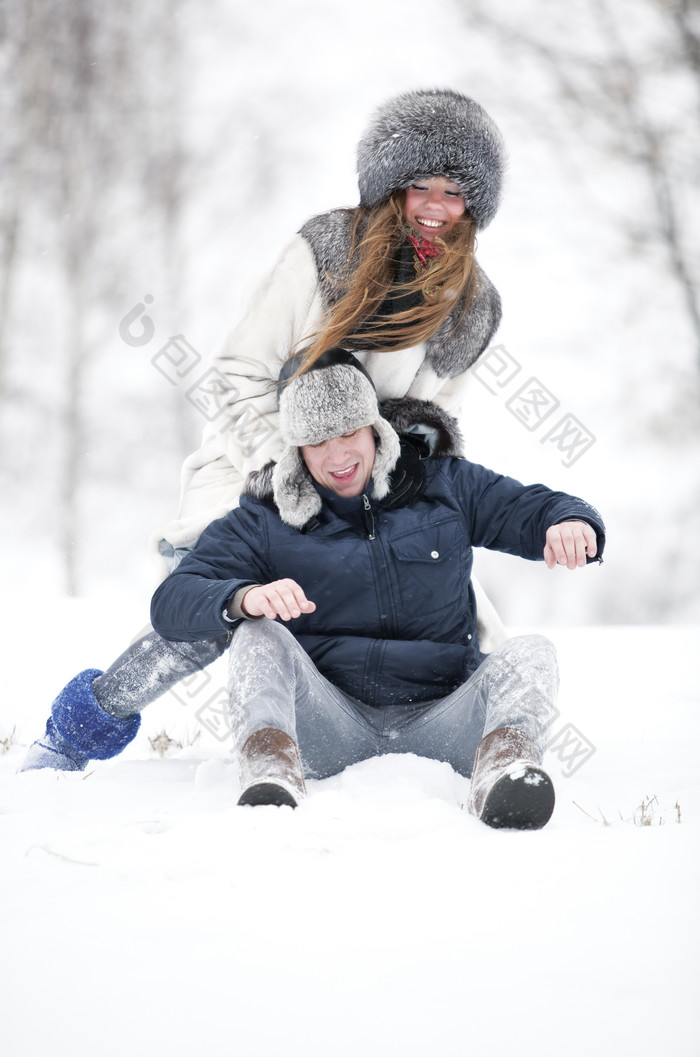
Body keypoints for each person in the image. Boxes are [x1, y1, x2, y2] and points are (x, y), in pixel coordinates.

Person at [21, 88, 511, 772]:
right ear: (388, 187)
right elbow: (235, 373)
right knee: (208, 619)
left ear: (475, 203)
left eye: (454, 190)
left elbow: (438, 424)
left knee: (448, 620)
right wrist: (282, 472)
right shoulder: (326, 251)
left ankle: (449, 745)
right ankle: (76, 732)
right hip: (257, 467)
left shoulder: (474, 308)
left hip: (370, 490)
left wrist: (396, 482)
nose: (434, 204)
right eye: (417, 184)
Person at [146, 350, 605, 828]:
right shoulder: (265, 519)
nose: (338, 456)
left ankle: (504, 772)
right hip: (325, 727)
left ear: (374, 427)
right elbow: (171, 602)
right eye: (317, 441)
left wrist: (568, 521)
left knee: (531, 651)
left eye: (348, 433)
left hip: (445, 718)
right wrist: (242, 598)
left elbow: (532, 508)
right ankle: (269, 777)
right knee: (256, 635)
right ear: (297, 449)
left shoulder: (445, 487)